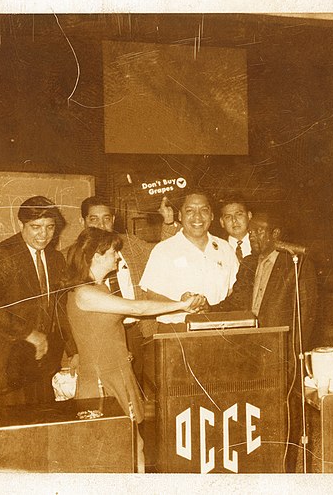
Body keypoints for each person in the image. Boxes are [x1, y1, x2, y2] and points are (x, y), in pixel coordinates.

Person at [63, 227, 202, 473]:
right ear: (97, 254)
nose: (118, 257)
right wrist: (180, 305)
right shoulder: (84, 293)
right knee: (110, 449)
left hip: (117, 372)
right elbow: (136, 309)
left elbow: (105, 331)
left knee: (134, 443)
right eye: (114, 252)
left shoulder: (100, 288)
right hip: (100, 381)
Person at [212, 209, 317, 472]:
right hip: (249, 352)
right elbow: (235, 303)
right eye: (253, 231)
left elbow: (307, 314)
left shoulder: (295, 263)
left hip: (281, 353)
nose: (253, 235)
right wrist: (205, 309)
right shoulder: (249, 263)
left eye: (259, 230)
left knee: (284, 419)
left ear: (276, 234)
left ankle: (287, 470)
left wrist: (292, 356)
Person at [61, 195, 179, 380]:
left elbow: (162, 254)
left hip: (139, 330)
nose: (101, 225)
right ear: (82, 221)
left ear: (113, 220)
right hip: (99, 340)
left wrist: (169, 223)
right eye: (94, 219)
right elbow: (63, 312)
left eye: (106, 219)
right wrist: (73, 351)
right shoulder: (68, 256)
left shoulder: (130, 244)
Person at [0, 196, 69, 407]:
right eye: (36, 227)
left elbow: (59, 309)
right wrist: (29, 334)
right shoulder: (3, 254)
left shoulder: (56, 259)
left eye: (50, 227)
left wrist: (73, 351)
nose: (44, 234)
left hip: (37, 364)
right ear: (20, 224)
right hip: (1, 363)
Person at [139, 190, 239, 326]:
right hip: (176, 330)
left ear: (212, 215)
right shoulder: (163, 250)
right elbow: (152, 296)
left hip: (218, 327)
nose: (197, 217)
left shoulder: (225, 248)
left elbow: (232, 291)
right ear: (180, 215)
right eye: (190, 211)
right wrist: (180, 304)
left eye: (204, 210)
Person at [218, 193, 252, 261]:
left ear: (249, 216)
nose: (234, 220)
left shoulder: (261, 245)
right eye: (228, 217)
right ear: (222, 222)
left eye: (239, 215)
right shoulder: (218, 249)